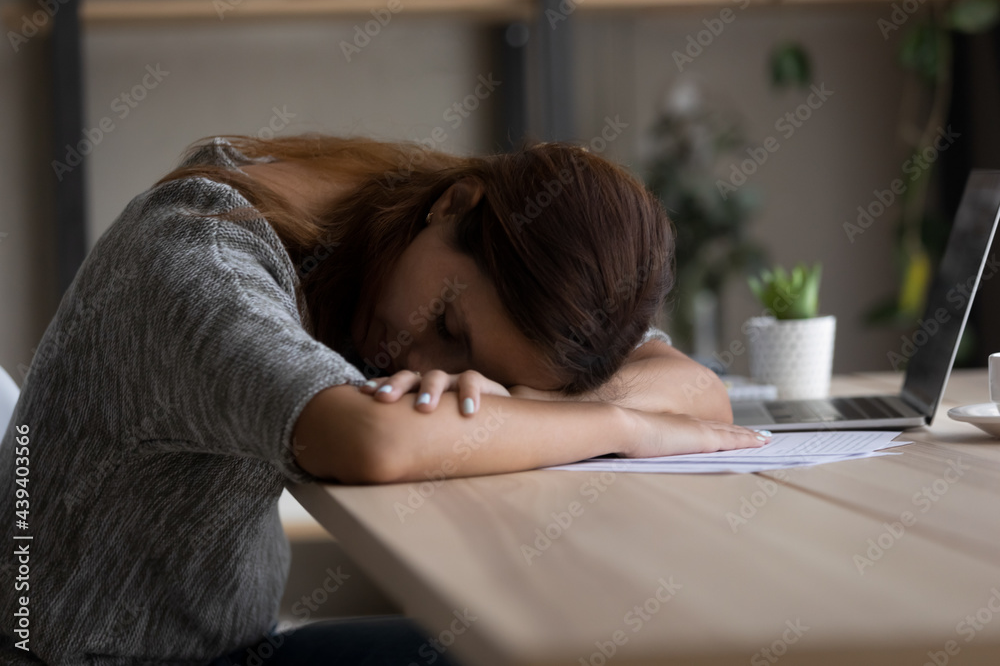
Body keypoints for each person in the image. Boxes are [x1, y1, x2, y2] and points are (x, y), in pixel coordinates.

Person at [0, 133, 769, 665]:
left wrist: (504, 399)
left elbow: (699, 395)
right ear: (454, 205)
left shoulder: (394, 234)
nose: (425, 362)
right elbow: (372, 440)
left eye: (478, 366)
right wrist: (614, 423)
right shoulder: (200, 248)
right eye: (448, 323)